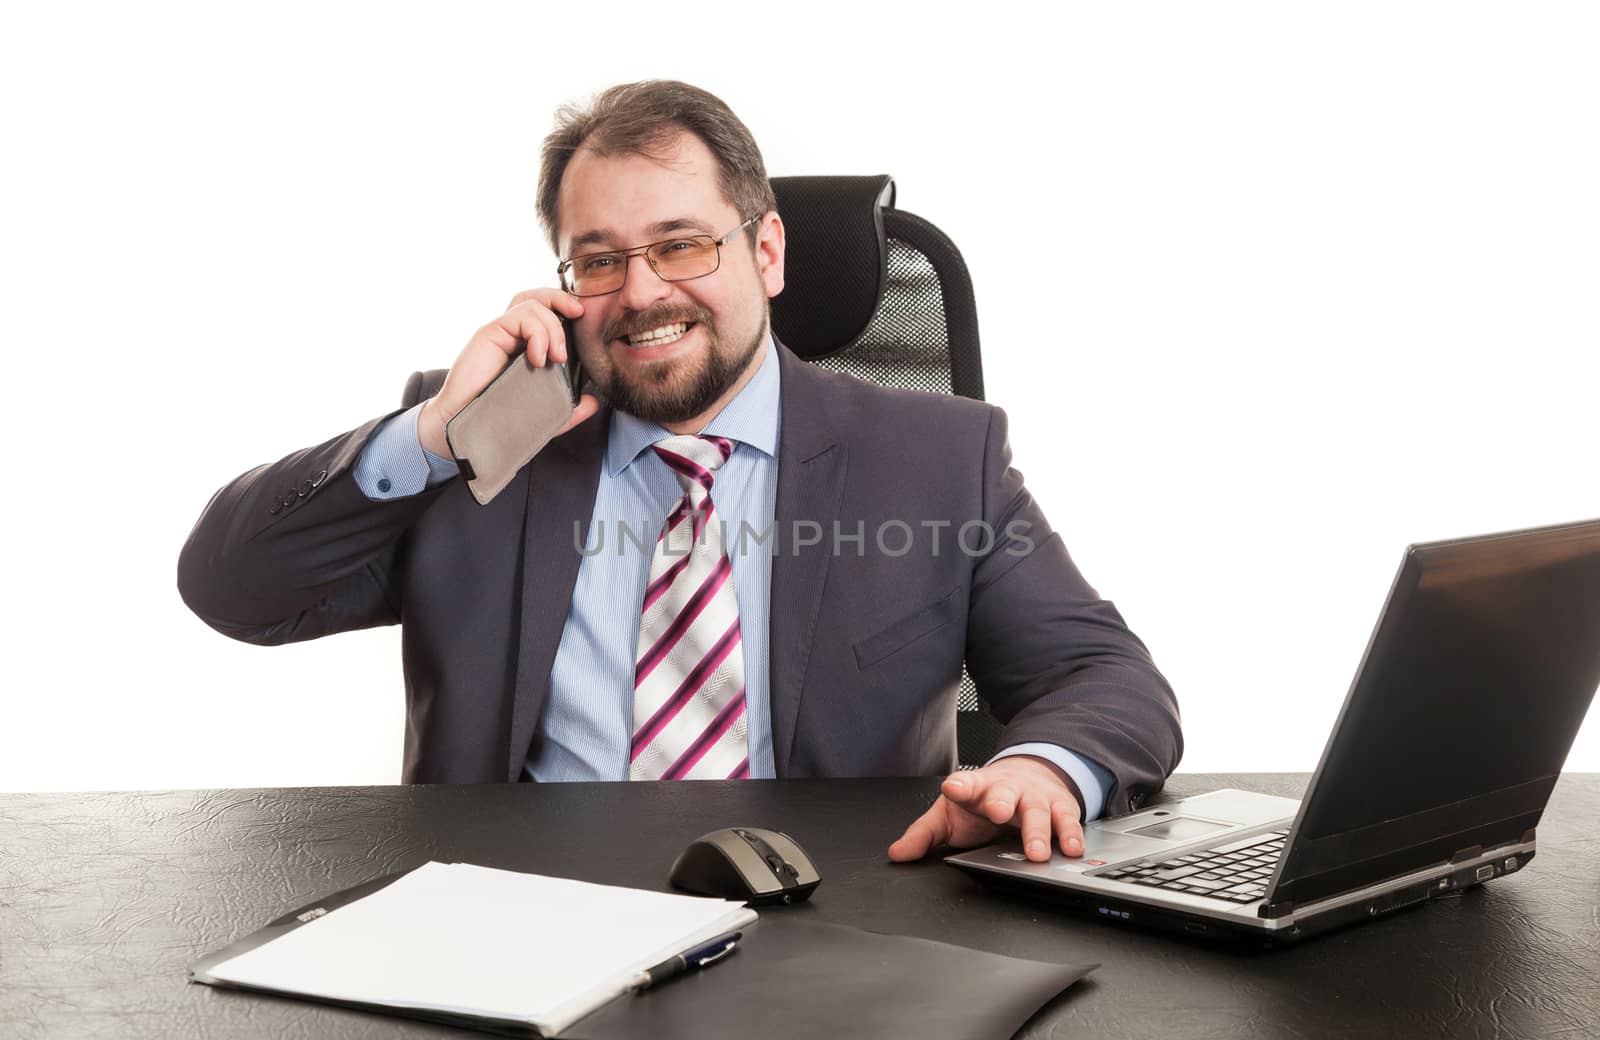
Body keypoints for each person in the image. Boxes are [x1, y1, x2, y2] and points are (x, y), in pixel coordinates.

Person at [178, 80, 1182, 864]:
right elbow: (236, 589)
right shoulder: (487, 438)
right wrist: (431, 436)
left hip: (836, 927)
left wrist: (1043, 768)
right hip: (514, 924)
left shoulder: (934, 459)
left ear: (767, 250)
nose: (643, 292)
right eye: (600, 260)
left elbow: (1101, 674)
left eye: (682, 245)